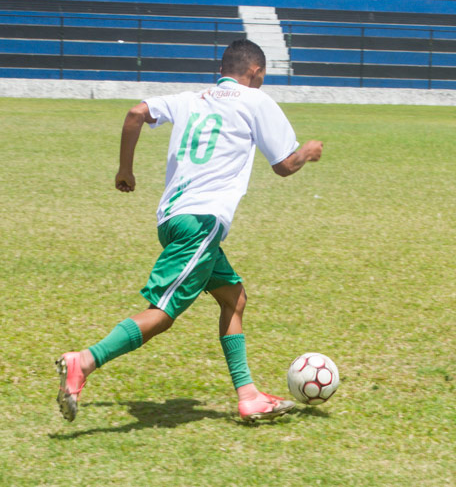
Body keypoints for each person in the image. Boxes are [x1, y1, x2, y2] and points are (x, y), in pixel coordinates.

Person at [56, 39, 324, 422]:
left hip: (171, 219)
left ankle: (248, 396)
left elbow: (135, 113)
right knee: (162, 314)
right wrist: (308, 152)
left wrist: (125, 171)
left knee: (234, 298)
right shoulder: (256, 102)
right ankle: (84, 361)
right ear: (256, 72)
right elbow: (284, 164)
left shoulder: (188, 98)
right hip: (202, 223)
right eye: (263, 76)